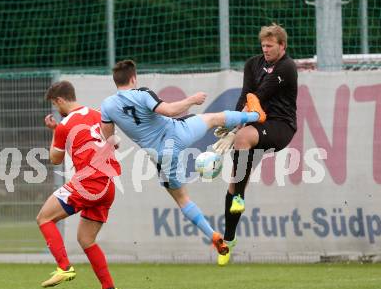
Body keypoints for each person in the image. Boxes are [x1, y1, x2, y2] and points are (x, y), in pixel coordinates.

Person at [100, 60, 266, 256]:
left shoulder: (108, 105)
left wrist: (114, 142)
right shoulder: (142, 94)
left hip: (161, 155)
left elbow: (108, 136)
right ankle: (255, 116)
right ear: (133, 78)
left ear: (115, 81)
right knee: (214, 118)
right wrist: (192, 100)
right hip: (177, 133)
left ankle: (213, 235)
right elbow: (169, 111)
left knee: (182, 200)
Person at [213, 23, 298, 266]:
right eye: (263, 45)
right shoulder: (253, 64)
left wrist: (237, 127)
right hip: (254, 126)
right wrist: (233, 122)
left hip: (281, 126)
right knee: (234, 185)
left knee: (242, 138)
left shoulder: (287, 67)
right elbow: (246, 95)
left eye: (270, 46)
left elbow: (259, 96)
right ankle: (229, 241)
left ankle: (239, 196)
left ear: (282, 46)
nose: (266, 49)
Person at [36, 80, 121, 289]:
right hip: (108, 184)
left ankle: (64, 268)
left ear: (60, 100)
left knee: (44, 218)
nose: (57, 110)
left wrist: (56, 132)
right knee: (86, 240)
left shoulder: (65, 125)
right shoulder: (97, 114)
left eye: (56, 105)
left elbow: (55, 159)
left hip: (89, 183)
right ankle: (109, 288)